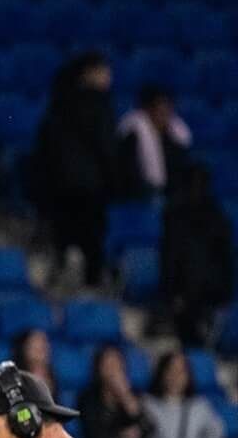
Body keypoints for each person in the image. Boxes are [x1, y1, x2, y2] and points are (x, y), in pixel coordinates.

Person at [29, 51, 119, 287]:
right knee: (91, 240)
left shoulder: (58, 102)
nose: (108, 76)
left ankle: (63, 279)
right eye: (103, 71)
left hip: (59, 185)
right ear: (88, 73)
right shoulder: (99, 105)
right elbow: (106, 146)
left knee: (65, 238)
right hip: (89, 187)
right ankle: (90, 288)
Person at [161, 158, 235, 347]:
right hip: (188, 292)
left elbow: (225, 257)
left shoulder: (217, 217)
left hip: (207, 291)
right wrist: (170, 295)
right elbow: (170, 256)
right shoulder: (175, 215)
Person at [144, 351, 227, 438]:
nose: (176, 376)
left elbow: (217, 435)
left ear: (189, 376)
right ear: (162, 373)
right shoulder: (148, 405)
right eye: (171, 370)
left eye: (181, 371)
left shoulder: (200, 406)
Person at [119, 84, 191, 198]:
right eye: (159, 107)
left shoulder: (175, 136)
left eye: (167, 107)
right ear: (147, 109)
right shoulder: (132, 135)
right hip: (139, 195)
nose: (165, 113)